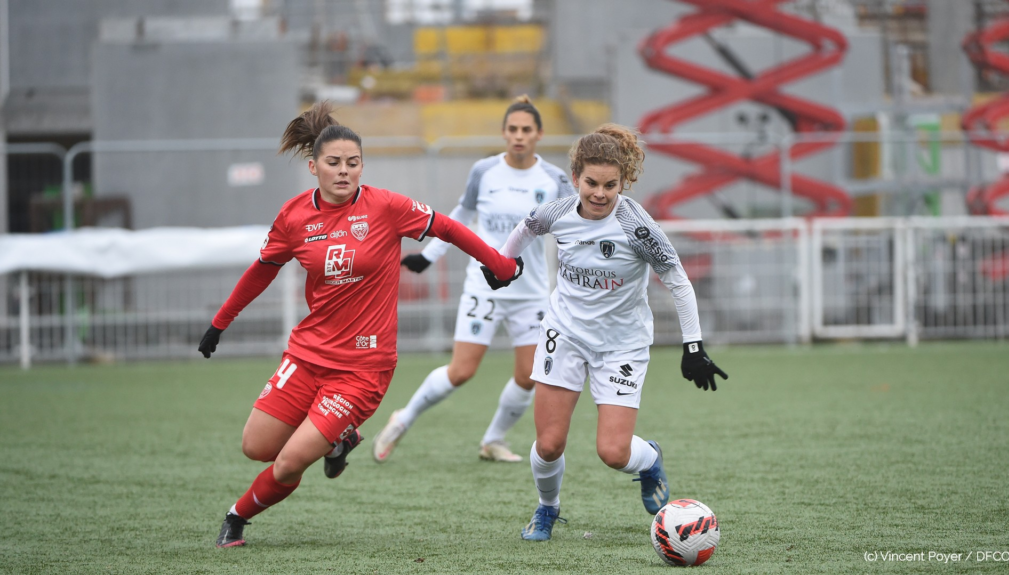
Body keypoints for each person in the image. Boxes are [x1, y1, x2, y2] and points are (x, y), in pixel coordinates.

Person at [196, 101, 523, 548]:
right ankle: (336, 442)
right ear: (313, 166)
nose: (344, 171)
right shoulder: (293, 217)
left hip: (362, 368)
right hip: (306, 356)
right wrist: (220, 323)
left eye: (353, 163)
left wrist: (500, 264)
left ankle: (236, 517)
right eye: (334, 163)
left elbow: (447, 227)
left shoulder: (386, 207)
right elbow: (263, 269)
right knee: (256, 447)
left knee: (290, 462)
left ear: (362, 166)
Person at [494, 124, 728, 541]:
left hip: (621, 344)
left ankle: (650, 459)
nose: (599, 194)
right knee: (548, 445)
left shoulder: (638, 226)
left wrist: (694, 347)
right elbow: (525, 229)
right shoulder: (558, 212)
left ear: (624, 182)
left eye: (610, 185)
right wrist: (501, 265)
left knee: (614, 453)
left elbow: (677, 280)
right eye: (591, 183)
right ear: (575, 178)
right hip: (563, 334)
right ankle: (547, 510)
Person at [372, 95, 575, 464]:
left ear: (539, 134)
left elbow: (574, 228)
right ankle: (403, 418)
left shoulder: (555, 179)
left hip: (529, 293)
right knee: (462, 370)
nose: (518, 136)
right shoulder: (484, 171)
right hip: (483, 287)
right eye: (512, 129)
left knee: (529, 376)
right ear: (503, 133)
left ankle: (493, 440)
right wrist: (430, 255)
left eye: (526, 130)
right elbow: (461, 214)